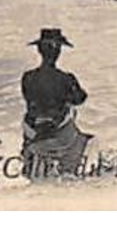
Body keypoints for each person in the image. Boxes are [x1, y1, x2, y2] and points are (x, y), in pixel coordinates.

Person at [20, 28, 91, 178]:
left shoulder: (27, 77)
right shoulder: (66, 78)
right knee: (81, 140)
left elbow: (28, 98)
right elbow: (80, 98)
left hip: (33, 126)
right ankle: (68, 172)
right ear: (58, 53)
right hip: (56, 127)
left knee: (28, 134)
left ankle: (27, 161)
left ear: (39, 51)